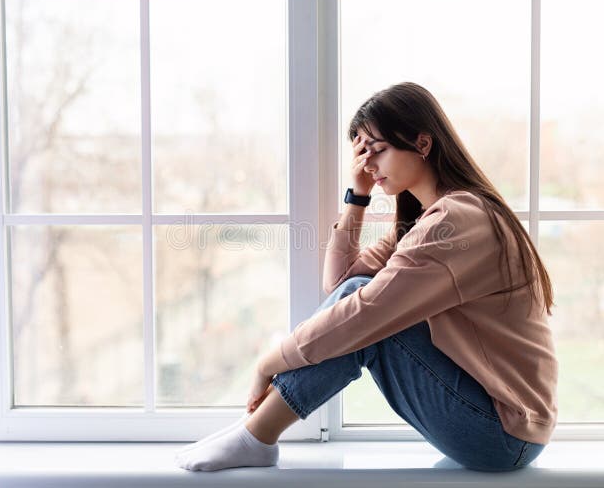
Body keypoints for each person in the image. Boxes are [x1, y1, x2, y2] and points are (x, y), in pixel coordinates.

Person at [175, 81, 558, 473]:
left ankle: (256, 437)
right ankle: (254, 433)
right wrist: (357, 196)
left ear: (423, 144)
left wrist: (268, 363)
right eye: (360, 154)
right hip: (497, 424)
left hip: (501, 433)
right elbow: (339, 281)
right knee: (359, 298)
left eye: (377, 150)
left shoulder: (458, 220)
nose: (367, 165)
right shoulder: (425, 221)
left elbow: (362, 309)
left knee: (368, 313)